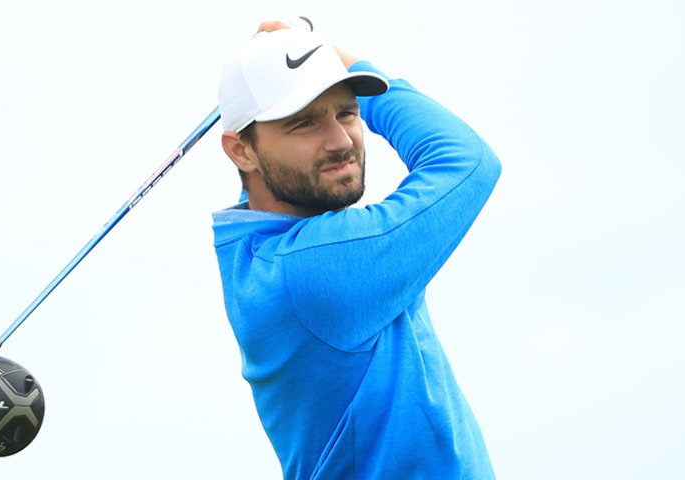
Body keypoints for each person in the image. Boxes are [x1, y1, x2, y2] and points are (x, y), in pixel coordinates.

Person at [212, 20, 501, 479]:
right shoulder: (314, 269)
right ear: (241, 151)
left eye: (347, 112)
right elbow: (465, 159)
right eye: (304, 122)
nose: (342, 141)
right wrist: (341, 58)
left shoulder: (253, 252)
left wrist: (313, 60)